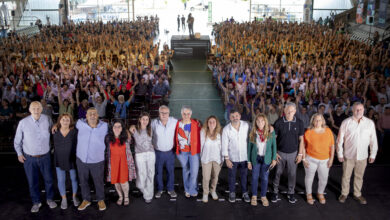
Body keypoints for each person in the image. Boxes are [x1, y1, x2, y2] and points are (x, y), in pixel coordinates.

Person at [14, 101, 57, 213]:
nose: (36, 110)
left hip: (45, 156)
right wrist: (19, 153)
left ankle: (50, 199)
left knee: (49, 180)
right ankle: (36, 202)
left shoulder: (47, 119)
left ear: (42, 109)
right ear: (30, 110)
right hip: (29, 158)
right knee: (33, 182)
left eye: (38, 107)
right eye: (34, 108)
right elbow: (17, 141)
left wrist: (56, 125)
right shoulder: (23, 122)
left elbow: (53, 130)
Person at [337, 102, 378, 204]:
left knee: (359, 176)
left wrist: (373, 154)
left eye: (361, 109)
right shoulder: (346, 122)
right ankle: (344, 193)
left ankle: (357, 194)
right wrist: (340, 154)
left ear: (364, 110)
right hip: (348, 155)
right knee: (346, 176)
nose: (359, 111)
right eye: (356, 109)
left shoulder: (370, 123)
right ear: (352, 110)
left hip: (363, 156)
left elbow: (373, 140)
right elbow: (339, 140)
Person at [74, 107, 108, 211]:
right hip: (81, 159)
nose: (92, 115)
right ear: (86, 116)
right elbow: (65, 123)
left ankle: (100, 200)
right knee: (83, 181)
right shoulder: (80, 124)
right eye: (90, 114)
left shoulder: (105, 126)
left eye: (94, 114)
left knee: (98, 181)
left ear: (98, 115)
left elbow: (118, 128)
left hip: (97, 160)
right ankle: (86, 199)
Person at [271, 102, 305, 204]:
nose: (289, 112)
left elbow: (301, 140)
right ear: (284, 111)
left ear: (295, 111)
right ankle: (275, 192)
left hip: (293, 154)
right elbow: (273, 139)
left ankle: (291, 193)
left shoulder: (299, 123)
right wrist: (274, 153)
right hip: (280, 153)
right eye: (287, 110)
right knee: (277, 173)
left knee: (292, 174)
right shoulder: (278, 122)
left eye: (291, 111)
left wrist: (300, 154)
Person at [302, 113, 335, 205]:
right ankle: (309, 194)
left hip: (325, 160)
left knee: (324, 178)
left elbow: (332, 146)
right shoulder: (308, 131)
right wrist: (304, 159)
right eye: (315, 120)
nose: (317, 122)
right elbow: (303, 146)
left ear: (323, 121)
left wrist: (331, 159)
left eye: (319, 120)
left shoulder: (328, 131)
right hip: (311, 158)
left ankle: (320, 193)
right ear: (312, 121)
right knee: (309, 178)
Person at [247, 113, 277, 206]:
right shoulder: (253, 132)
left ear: (265, 122)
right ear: (255, 122)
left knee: (264, 178)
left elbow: (274, 146)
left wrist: (274, 158)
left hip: (266, 159)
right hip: (255, 158)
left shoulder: (270, 132)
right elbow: (249, 148)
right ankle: (254, 196)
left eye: (262, 121)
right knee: (255, 177)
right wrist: (248, 161)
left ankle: (263, 196)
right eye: (258, 121)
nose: (260, 123)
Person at [222, 109, 250, 203]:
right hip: (232, 158)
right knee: (232, 176)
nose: (235, 118)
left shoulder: (246, 126)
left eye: (237, 116)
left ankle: (244, 192)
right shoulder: (226, 129)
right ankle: (232, 192)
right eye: (233, 116)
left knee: (244, 176)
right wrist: (227, 159)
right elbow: (224, 145)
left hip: (244, 157)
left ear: (240, 116)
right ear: (230, 117)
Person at [106, 119, 136, 206]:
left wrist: (131, 128)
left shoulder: (127, 137)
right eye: (115, 127)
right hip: (113, 163)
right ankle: (120, 196)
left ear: (122, 128)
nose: (117, 128)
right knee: (116, 182)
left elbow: (134, 131)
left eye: (119, 127)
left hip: (124, 163)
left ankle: (126, 197)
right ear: (112, 128)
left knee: (123, 182)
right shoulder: (108, 138)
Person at [53, 113, 79, 209]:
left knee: (74, 179)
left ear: (70, 122)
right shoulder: (54, 131)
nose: (65, 121)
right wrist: (54, 125)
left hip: (71, 159)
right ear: (59, 121)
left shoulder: (75, 132)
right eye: (63, 119)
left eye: (67, 120)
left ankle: (74, 197)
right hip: (59, 159)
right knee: (61, 180)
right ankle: (64, 199)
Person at [151, 105, 178, 198]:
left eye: (166, 113)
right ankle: (160, 189)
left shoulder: (174, 121)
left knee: (171, 171)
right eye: (162, 112)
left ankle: (170, 189)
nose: (164, 114)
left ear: (169, 113)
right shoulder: (153, 123)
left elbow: (184, 123)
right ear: (159, 113)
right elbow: (148, 133)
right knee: (158, 172)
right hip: (158, 152)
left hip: (170, 152)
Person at [175, 106, 201, 197]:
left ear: (191, 114)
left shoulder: (196, 124)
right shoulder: (177, 124)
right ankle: (188, 190)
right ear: (181, 114)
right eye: (184, 114)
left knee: (194, 172)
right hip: (182, 152)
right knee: (186, 170)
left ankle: (192, 189)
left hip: (194, 152)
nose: (186, 115)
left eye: (188, 114)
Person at [130, 112, 155, 203]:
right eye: (143, 119)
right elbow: (127, 130)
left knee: (150, 174)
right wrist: (131, 126)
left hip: (150, 153)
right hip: (139, 154)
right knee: (142, 174)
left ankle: (148, 195)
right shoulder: (134, 129)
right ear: (139, 120)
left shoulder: (151, 129)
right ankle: (141, 187)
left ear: (149, 121)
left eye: (147, 119)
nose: (145, 121)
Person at [200, 115, 223, 203]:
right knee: (206, 177)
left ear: (216, 123)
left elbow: (222, 147)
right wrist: (201, 158)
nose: (212, 123)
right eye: (210, 122)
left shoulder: (219, 133)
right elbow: (201, 146)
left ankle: (212, 190)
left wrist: (222, 159)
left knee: (215, 177)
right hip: (206, 159)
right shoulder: (203, 132)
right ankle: (205, 193)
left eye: (214, 122)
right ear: (207, 123)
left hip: (217, 159)